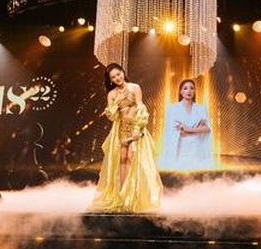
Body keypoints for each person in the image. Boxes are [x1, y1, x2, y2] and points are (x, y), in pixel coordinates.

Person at [90, 63, 162, 212]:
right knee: (121, 160)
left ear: (123, 72)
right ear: (110, 80)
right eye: (113, 77)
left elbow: (141, 108)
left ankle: (133, 195)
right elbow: (112, 116)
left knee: (132, 158)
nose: (117, 78)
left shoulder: (135, 87)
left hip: (136, 127)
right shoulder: (112, 94)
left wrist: (137, 129)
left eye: (118, 74)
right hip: (121, 129)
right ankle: (122, 194)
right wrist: (116, 101)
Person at [159, 78, 213, 171]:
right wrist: (197, 130)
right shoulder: (173, 109)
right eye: (185, 88)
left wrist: (187, 129)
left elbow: (207, 129)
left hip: (197, 149)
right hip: (180, 150)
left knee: (196, 175)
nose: (189, 91)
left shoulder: (201, 108)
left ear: (195, 91)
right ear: (181, 91)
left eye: (192, 88)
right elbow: (174, 131)